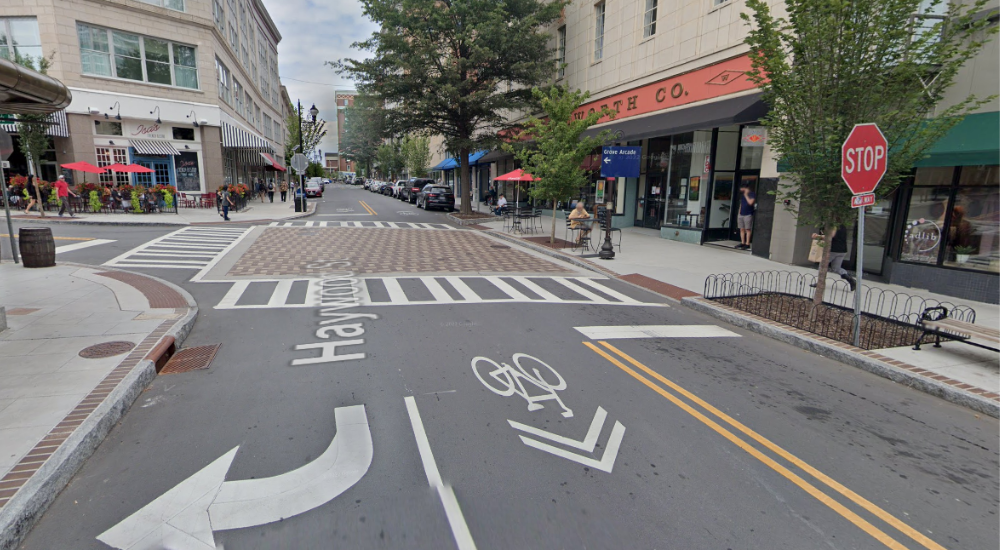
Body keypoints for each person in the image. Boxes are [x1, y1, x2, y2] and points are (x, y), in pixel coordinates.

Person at [811, 226, 856, 291]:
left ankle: (820, 283)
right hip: (842, 250)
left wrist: (818, 236)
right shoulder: (844, 226)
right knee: (836, 268)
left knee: (822, 265)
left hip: (833, 249)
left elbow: (831, 236)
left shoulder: (834, 226)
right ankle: (850, 279)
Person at [737, 183, 756, 250]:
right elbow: (741, 204)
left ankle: (747, 243)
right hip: (741, 214)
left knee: (747, 229)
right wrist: (739, 213)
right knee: (741, 229)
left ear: (745, 188)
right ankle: (742, 242)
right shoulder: (742, 195)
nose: (741, 190)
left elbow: (750, 203)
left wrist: (746, 195)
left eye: (742, 188)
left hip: (748, 214)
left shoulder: (752, 194)